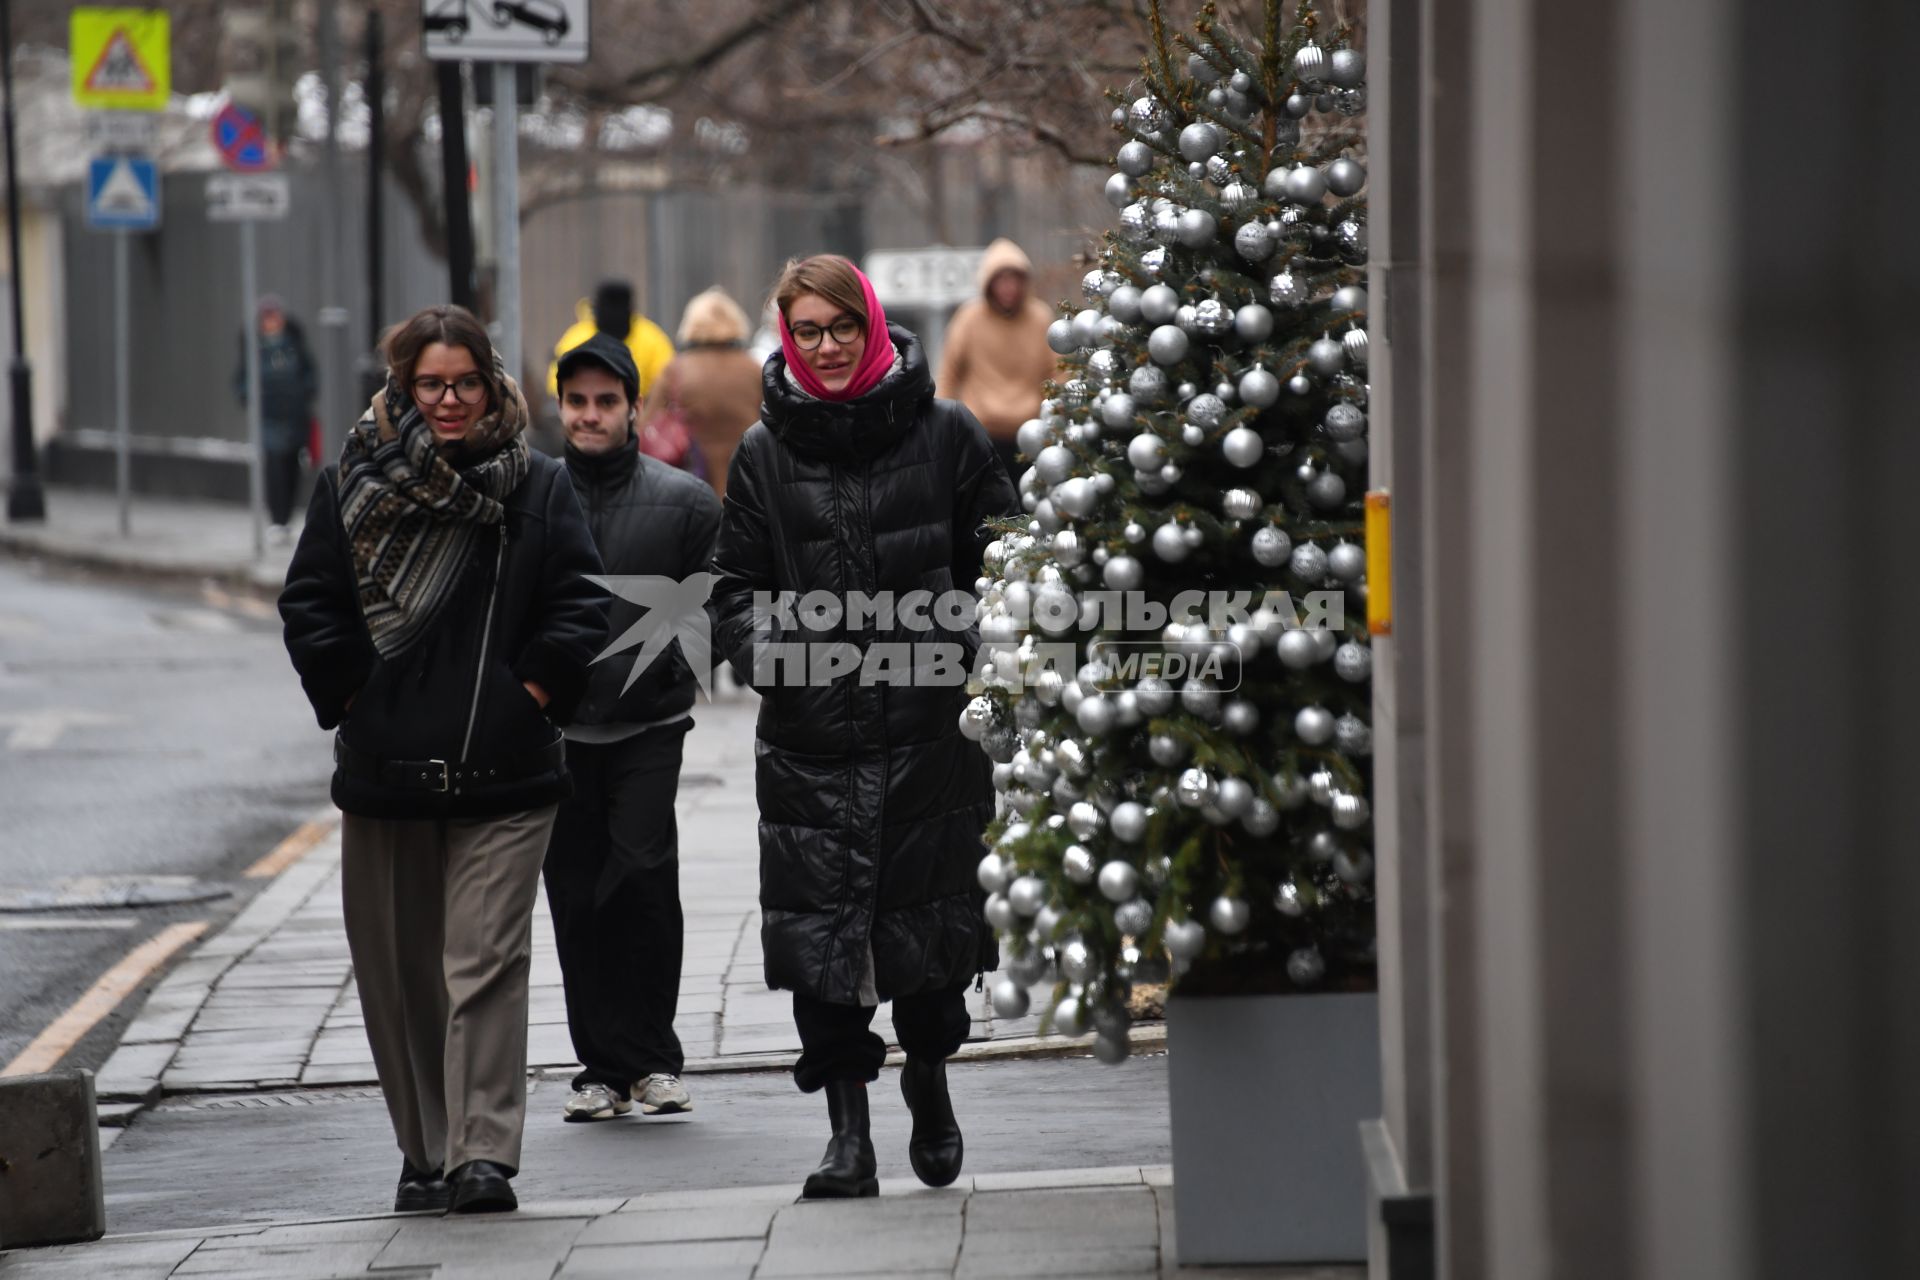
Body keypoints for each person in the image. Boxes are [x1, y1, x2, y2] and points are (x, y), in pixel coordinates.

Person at [279, 305, 607, 1216]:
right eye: (432, 384)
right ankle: (426, 1151)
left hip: (505, 774)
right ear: (404, 387)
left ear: (489, 381)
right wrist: (355, 701)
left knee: (484, 960)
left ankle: (482, 1154)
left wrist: (529, 698)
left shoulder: (535, 485)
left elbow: (580, 607)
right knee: (402, 976)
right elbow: (312, 604)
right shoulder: (350, 481)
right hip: (388, 779)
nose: (452, 400)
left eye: (466, 382)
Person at [708, 255, 1019, 1199]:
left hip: (930, 733)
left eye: (842, 326)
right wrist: (775, 660)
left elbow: (1005, 563)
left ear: (871, 325)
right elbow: (732, 592)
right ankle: (848, 1135)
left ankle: (928, 1077)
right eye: (808, 331)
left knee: (929, 935)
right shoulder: (764, 454)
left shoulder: (949, 435)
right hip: (814, 741)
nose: (828, 346)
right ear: (786, 337)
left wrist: (956, 642)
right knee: (822, 941)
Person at [546, 332, 722, 1123]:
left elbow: (715, 601)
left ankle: (653, 1060)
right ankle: (599, 1070)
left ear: (634, 408)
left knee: (644, 879)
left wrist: (675, 673)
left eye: (606, 402)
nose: (591, 416)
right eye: (577, 402)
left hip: (649, 727)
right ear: (560, 408)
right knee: (576, 895)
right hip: (555, 733)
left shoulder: (684, 503)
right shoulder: (531, 497)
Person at [934, 238, 1058, 483]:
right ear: (989, 282)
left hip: (1032, 436)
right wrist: (943, 428)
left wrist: (1055, 418)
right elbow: (948, 374)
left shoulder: (1040, 318)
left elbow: (1059, 373)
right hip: (981, 435)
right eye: (1001, 279)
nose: (1009, 287)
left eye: (1015, 278)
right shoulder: (969, 318)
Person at [638, 287, 763, 496]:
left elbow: (647, 424)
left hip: (692, 483)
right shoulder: (754, 369)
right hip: (748, 483)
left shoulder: (674, 370)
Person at [234, 294, 318, 542]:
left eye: (275, 316)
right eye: (267, 317)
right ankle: (277, 520)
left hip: (294, 417)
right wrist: (250, 396)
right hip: (269, 419)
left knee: (292, 466)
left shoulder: (294, 344)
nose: (271, 322)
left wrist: (306, 393)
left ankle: (287, 518)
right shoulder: (254, 347)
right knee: (275, 466)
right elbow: (241, 380)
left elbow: (309, 373)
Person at [547, 280, 675, 404]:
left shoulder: (652, 339)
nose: (614, 314)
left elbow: (670, 385)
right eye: (609, 305)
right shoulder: (576, 338)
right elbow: (556, 387)